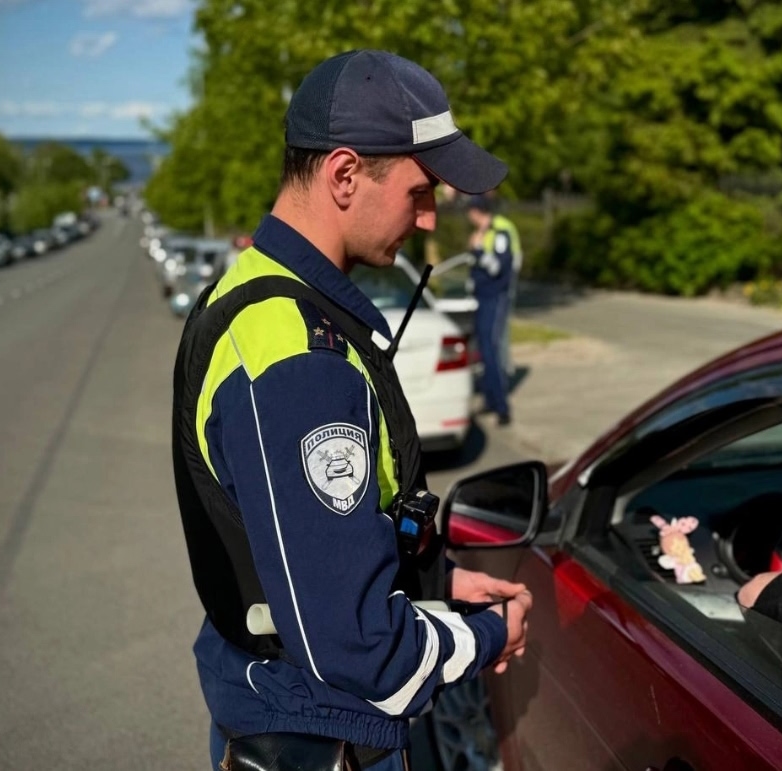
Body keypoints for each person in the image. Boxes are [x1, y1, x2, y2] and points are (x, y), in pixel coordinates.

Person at [170, 49, 533, 771]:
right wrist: (488, 635)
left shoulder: (256, 290)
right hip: (321, 738)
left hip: (285, 716)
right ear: (343, 175)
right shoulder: (298, 361)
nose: (429, 219)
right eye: (419, 190)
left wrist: (434, 582)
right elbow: (359, 647)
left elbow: (299, 545)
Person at [467, 194, 521, 425]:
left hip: (495, 298)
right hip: (482, 296)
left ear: (477, 211)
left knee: (491, 349)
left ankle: (502, 407)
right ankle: (490, 399)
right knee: (483, 349)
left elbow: (498, 267)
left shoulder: (499, 232)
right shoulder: (484, 232)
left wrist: (478, 251)